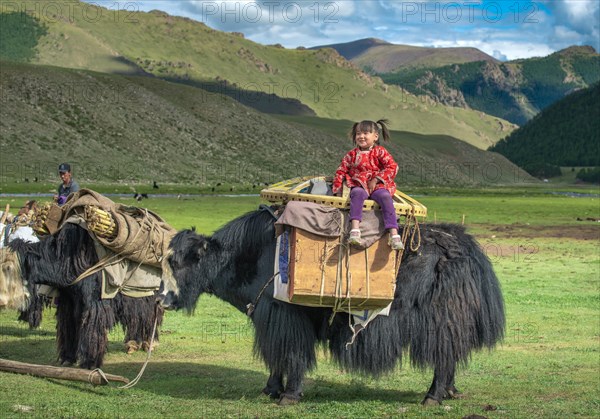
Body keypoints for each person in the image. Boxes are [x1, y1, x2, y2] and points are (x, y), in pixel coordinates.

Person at [332, 119, 403, 250]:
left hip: (377, 186)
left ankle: (393, 234)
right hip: (359, 184)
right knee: (356, 193)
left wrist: (377, 179)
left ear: (375, 136)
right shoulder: (351, 155)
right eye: (358, 133)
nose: (361, 136)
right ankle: (355, 231)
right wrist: (337, 188)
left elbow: (392, 167)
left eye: (365, 133)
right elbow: (341, 171)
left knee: (385, 197)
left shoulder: (380, 152)